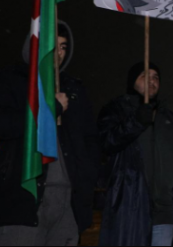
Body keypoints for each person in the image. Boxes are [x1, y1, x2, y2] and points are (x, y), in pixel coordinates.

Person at [0, 21, 100, 246]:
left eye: (64, 47)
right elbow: (5, 125)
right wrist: (49, 110)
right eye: (52, 45)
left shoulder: (74, 89)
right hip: (24, 199)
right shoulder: (12, 81)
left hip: (68, 202)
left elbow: (90, 140)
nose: (59, 53)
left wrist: (88, 176)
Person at [97, 62, 173, 246]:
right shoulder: (117, 109)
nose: (152, 81)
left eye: (156, 77)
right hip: (131, 211)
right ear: (133, 81)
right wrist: (137, 121)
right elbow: (107, 143)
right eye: (145, 76)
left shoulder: (168, 117)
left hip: (166, 215)